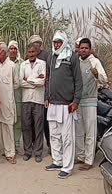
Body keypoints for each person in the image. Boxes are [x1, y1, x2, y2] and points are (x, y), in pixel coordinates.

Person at [45, 30, 83, 179]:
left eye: (59, 42)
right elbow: (48, 79)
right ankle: (57, 161)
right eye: (55, 42)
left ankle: (67, 167)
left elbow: (78, 81)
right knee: (54, 135)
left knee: (67, 137)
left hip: (67, 104)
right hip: (53, 103)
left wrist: (76, 101)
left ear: (65, 42)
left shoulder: (72, 57)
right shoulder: (50, 57)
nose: (57, 44)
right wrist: (46, 96)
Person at [75, 38, 108, 171]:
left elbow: (104, 79)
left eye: (85, 48)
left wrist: (97, 74)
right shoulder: (76, 61)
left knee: (90, 131)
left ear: (90, 49)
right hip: (78, 101)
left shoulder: (95, 62)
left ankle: (89, 160)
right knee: (78, 130)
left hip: (90, 101)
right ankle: (80, 156)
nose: (83, 50)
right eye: (81, 48)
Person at [0, 42, 19, 165]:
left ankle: (10, 153)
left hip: (7, 102)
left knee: (8, 127)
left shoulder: (12, 65)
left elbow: (17, 84)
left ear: (3, 52)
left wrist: (7, 91)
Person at [20, 43, 46, 163]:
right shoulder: (23, 64)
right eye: (29, 52)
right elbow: (21, 82)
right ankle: (27, 151)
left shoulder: (42, 63)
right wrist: (35, 81)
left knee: (38, 126)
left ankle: (38, 152)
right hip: (26, 100)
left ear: (37, 52)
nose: (31, 54)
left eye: (33, 52)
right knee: (26, 126)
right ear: (27, 53)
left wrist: (28, 80)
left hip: (38, 100)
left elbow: (42, 82)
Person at [28, 34, 51, 154]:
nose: (36, 45)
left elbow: (47, 76)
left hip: (44, 93)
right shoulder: (30, 56)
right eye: (34, 43)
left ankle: (49, 145)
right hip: (31, 94)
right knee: (32, 122)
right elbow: (26, 77)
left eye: (38, 43)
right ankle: (33, 145)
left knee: (45, 122)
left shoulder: (46, 56)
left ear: (41, 45)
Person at [8, 40, 24, 152]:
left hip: (19, 96)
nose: (13, 51)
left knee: (18, 120)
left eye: (15, 49)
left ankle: (16, 144)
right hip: (7, 97)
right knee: (8, 120)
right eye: (11, 48)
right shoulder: (4, 62)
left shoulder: (22, 63)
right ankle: (8, 145)